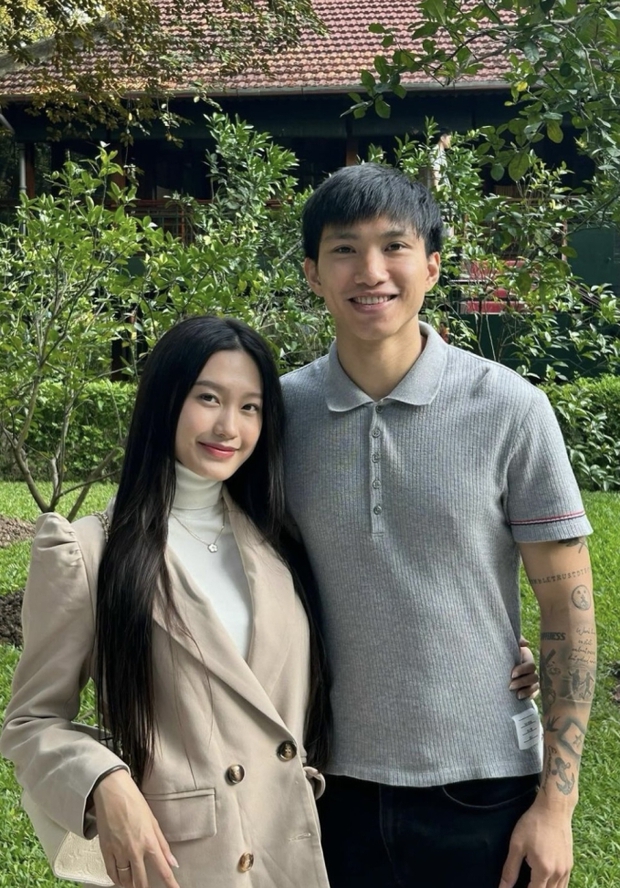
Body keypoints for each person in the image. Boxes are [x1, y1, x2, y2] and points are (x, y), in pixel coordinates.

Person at [281, 163, 596, 888]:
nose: (371, 271)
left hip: (484, 782)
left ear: (432, 265)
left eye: (394, 246)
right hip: (321, 780)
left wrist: (557, 806)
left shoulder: (511, 409)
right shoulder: (278, 415)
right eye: (344, 249)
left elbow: (566, 611)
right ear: (312, 273)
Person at [0, 316, 332, 888]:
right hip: (185, 862)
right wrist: (103, 780)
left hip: (290, 849)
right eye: (208, 398)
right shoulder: (88, 552)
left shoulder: (279, 540)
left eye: (250, 407)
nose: (229, 426)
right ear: (165, 399)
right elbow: (31, 721)